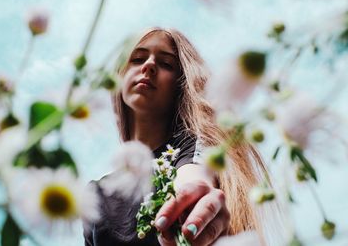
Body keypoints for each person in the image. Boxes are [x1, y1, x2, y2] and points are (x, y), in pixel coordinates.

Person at [83, 27, 270, 246]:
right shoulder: (95, 194)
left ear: (181, 84)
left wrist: (192, 202)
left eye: (166, 64)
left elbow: (194, 176)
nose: (149, 65)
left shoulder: (195, 148)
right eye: (137, 58)